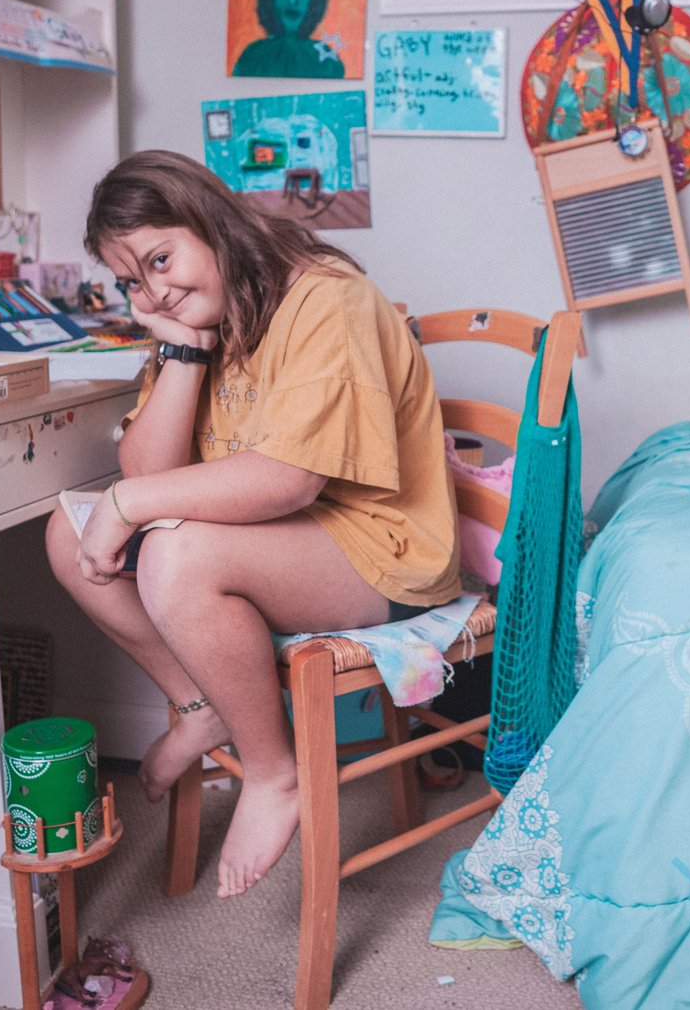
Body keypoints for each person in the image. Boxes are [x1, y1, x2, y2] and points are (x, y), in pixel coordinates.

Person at [45, 150, 460, 897]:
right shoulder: (201, 314)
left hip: (379, 548)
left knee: (176, 557)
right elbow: (150, 471)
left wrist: (128, 506)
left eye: (161, 259)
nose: (155, 290)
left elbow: (288, 482)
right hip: (286, 541)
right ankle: (205, 708)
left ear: (210, 219)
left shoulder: (327, 299)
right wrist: (184, 347)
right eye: (132, 281)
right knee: (67, 534)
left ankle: (274, 775)